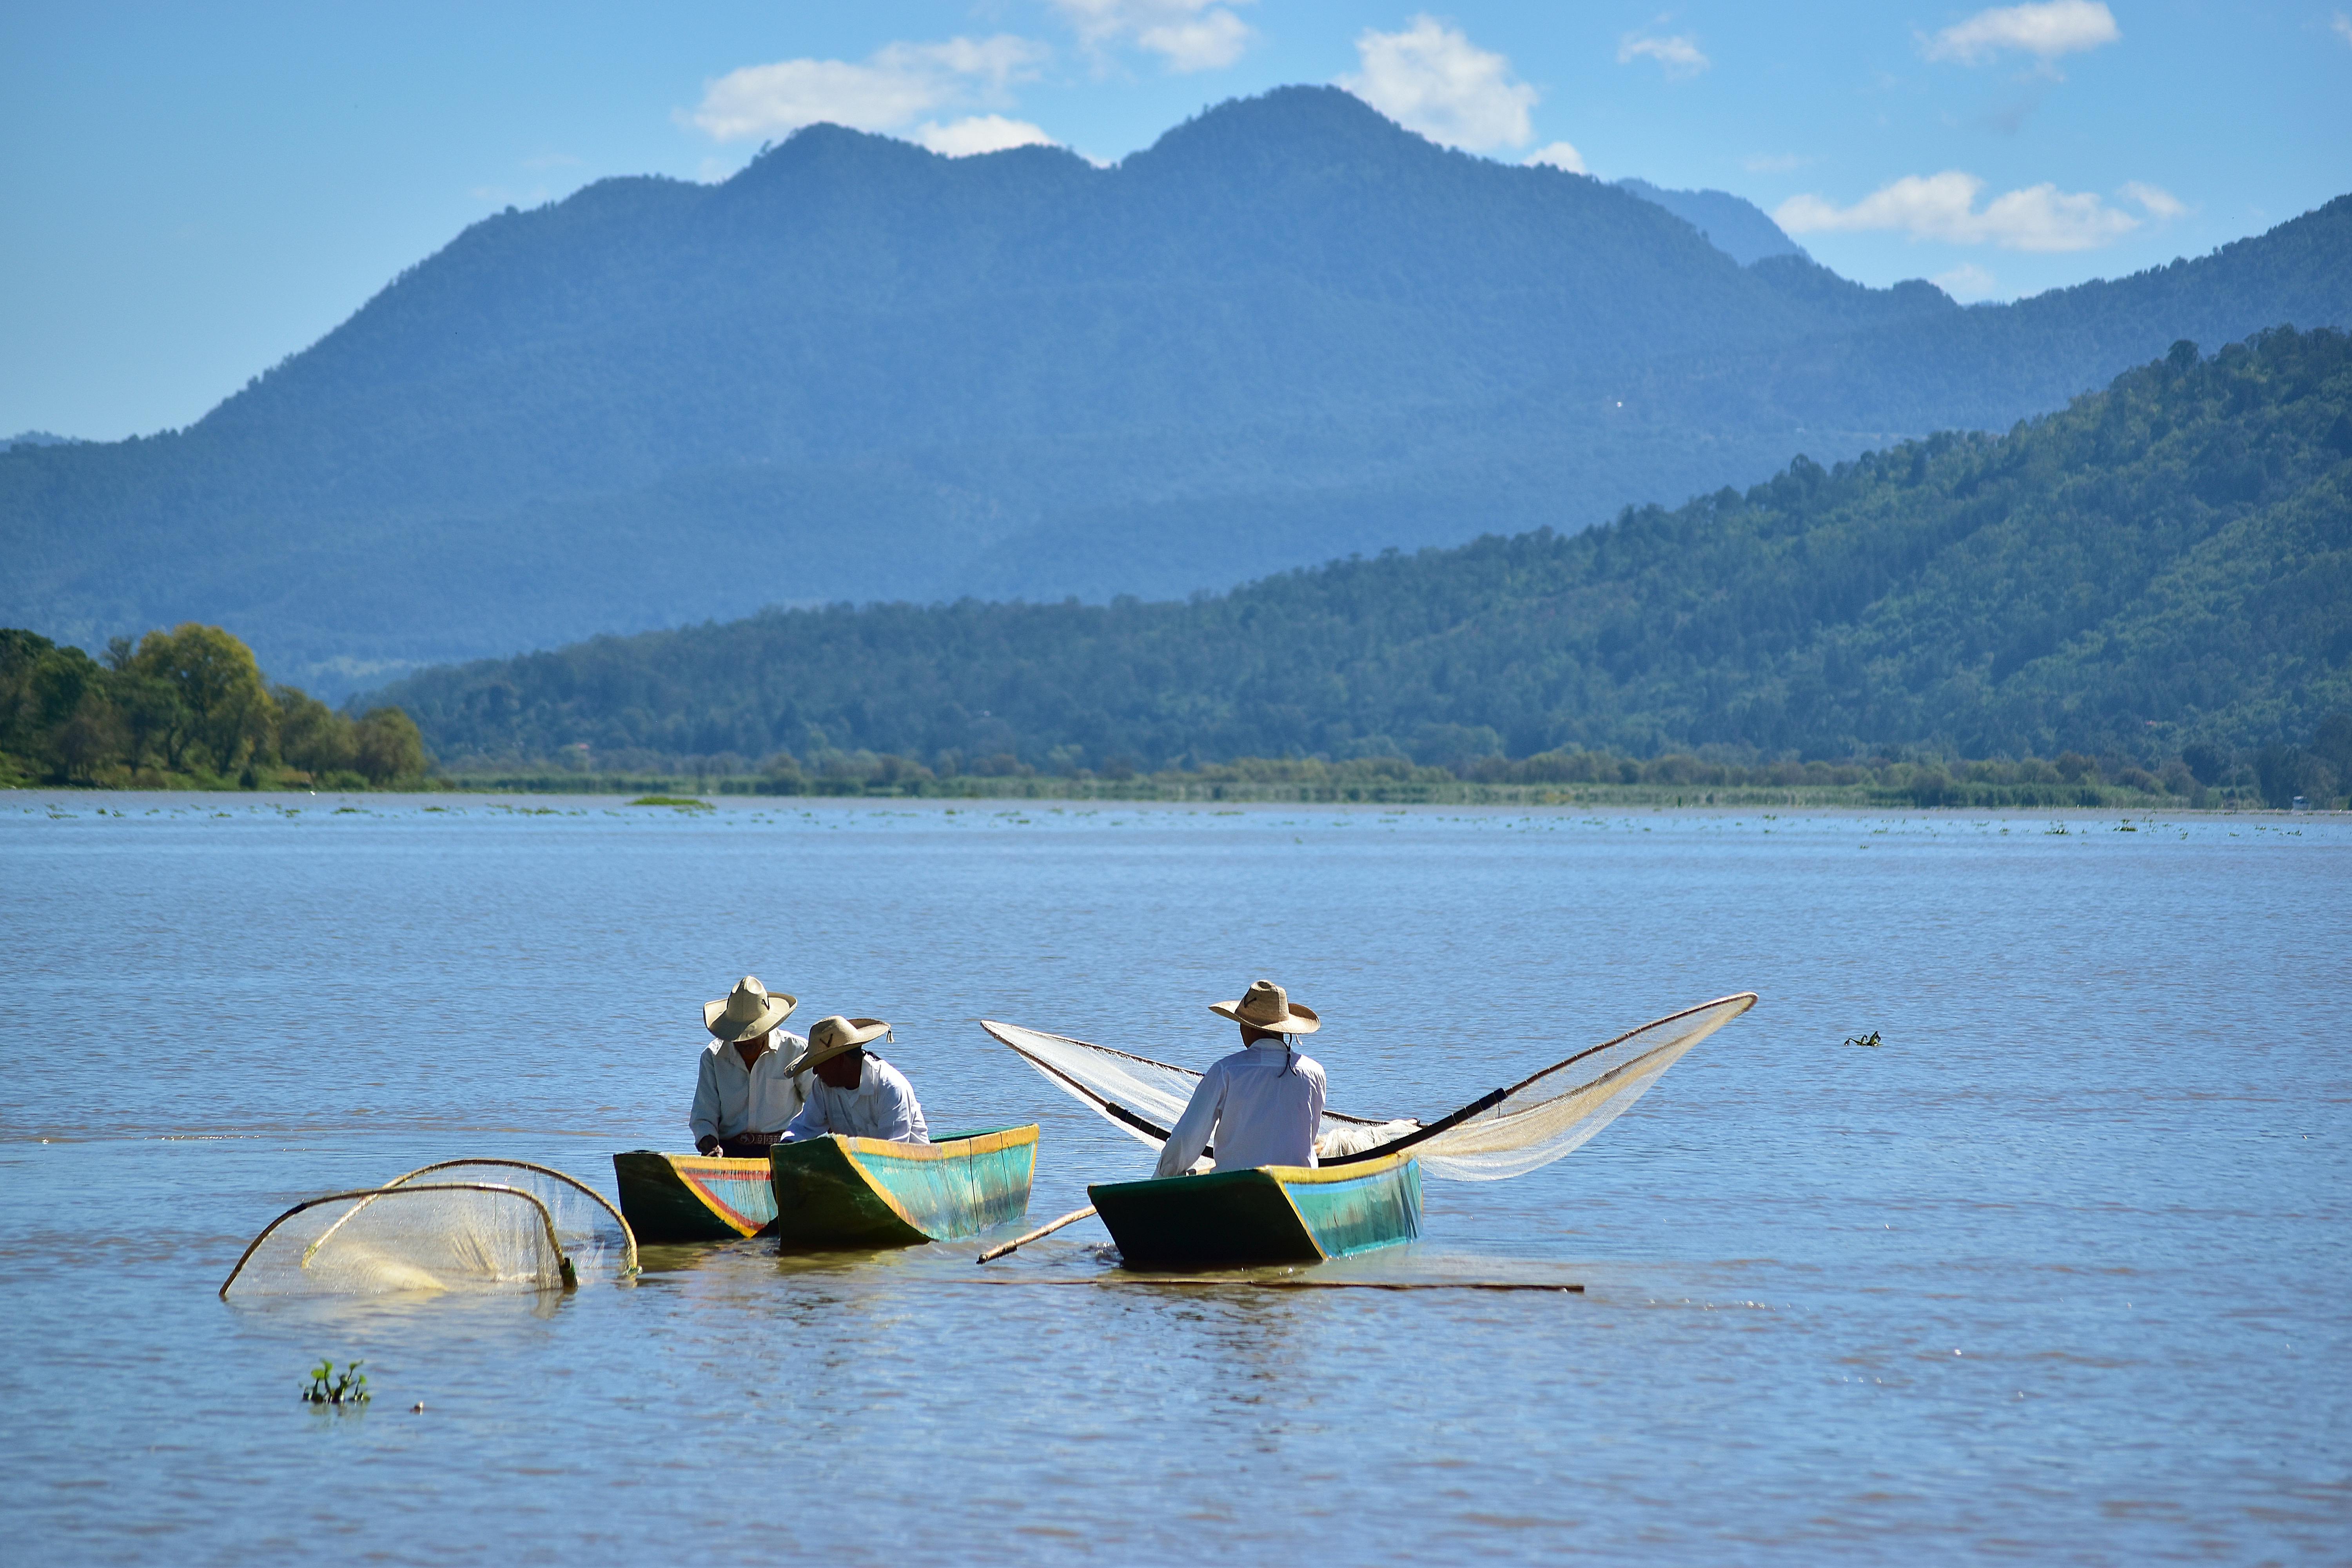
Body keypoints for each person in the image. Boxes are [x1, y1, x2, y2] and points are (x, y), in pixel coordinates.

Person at [1153, 979, 1328, 1178]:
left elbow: (1187, 1139)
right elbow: (1309, 1135)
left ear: (1250, 1027)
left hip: (1236, 1187)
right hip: (1300, 1185)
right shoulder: (1315, 1073)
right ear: (1284, 1030)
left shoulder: (1226, 1071)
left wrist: (1163, 1176)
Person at [690, 976, 809, 1158]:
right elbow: (704, 1117)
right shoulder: (713, 1057)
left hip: (785, 1151)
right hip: (729, 1151)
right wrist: (711, 1147)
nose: (746, 1042)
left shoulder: (796, 1051)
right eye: (739, 1035)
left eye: (752, 1035)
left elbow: (818, 1106)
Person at [779, 1015, 930, 1144]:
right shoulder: (823, 1086)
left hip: (911, 1169)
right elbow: (804, 1128)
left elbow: (893, 1152)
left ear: (841, 1060)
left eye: (819, 1064)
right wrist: (785, 1148)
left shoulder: (891, 1088)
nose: (815, 1071)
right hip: (860, 1167)